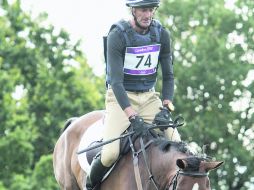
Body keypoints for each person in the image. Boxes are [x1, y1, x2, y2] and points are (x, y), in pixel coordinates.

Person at [86, 0, 181, 189]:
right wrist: (131, 115)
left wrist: (166, 107)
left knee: (178, 144)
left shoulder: (161, 34)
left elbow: (169, 76)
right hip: (120, 98)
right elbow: (116, 82)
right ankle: (90, 184)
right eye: (143, 10)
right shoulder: (118, 35)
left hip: (149, 98)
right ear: (133, 10)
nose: (148, 15)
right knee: (110, 154)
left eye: (151, 10)